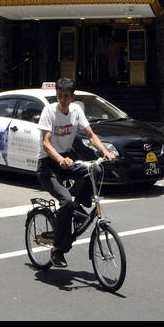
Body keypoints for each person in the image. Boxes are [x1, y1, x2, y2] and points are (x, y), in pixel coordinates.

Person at [38, 77, 116, 269]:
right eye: (59, 96)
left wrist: (105, 152)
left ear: (72, 97)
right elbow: (46, 143)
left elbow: (90, 135)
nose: (62, 100)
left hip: (67, 160)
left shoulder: (76, 111)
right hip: (48, 165)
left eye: (66, 96)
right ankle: (57, 250)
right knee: (65, 201)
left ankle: (78, 205)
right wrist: (60, 159)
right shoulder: (49, 111)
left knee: (95, 168)